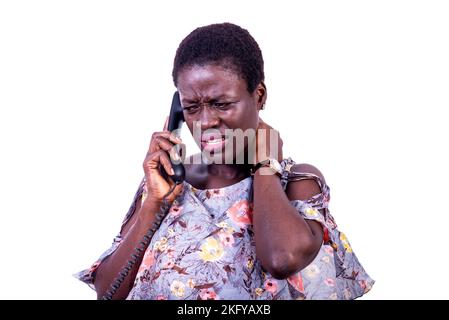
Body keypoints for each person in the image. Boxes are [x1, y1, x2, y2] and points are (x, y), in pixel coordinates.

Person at [75, 22, 374, 300]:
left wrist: (265, 166)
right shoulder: (167, 183)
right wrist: (152, 205)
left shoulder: (297, 184)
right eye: (191, 107)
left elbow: (281, 259)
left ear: (258, 96)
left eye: (222, 104)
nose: (205, 122)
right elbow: (108, 292)